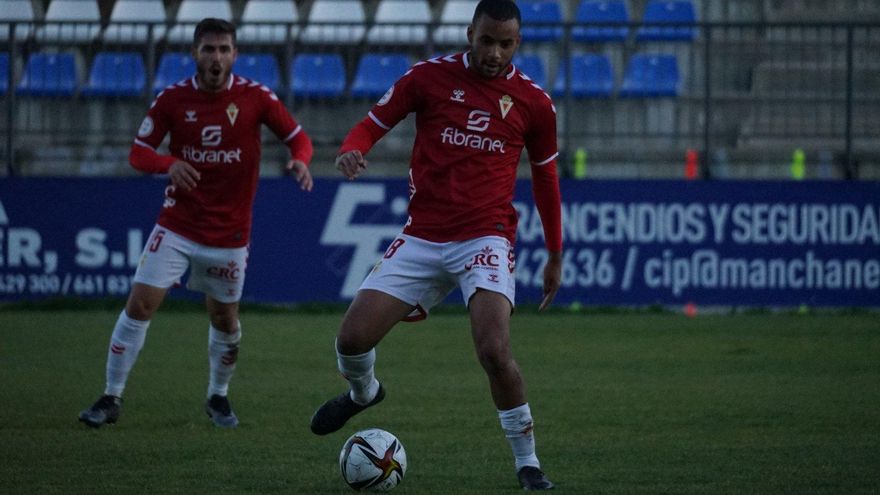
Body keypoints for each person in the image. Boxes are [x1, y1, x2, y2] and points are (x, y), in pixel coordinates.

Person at [309, 0, 561, 490]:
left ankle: (528, 463)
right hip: (422, 236)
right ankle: (363, 394)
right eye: (486, 40)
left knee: (494, 349)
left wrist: (554, 254)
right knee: (351, 340)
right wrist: (353, 147)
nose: (494, 52)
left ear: (518, 43)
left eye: (505, 43)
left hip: (485, 238)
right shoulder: (427, 78)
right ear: (470, 33)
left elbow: (547, 179)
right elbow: (372, 122)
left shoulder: (533, 103)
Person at [78, 18, 314, 429]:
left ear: (235, 55)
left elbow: (298, 137)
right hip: (178, 226)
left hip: (229, 235)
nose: (216, 57)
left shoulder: (256, 98)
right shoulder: (172, 100)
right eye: (208, 49)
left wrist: (300, 160)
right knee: (140, 304)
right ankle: (110, 396)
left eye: (224, 49)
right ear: (194, 54)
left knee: (224, 319)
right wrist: (168, 164)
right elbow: (139, 153)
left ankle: (218, 397)